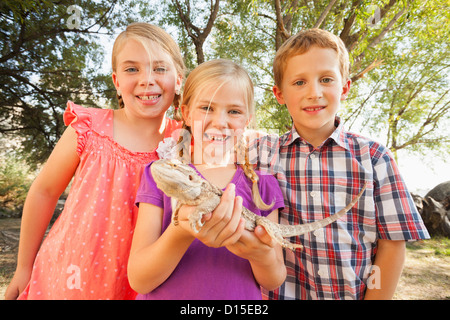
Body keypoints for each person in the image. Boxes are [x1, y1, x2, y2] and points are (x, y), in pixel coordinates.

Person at [5, 22, 185, 300]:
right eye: (131, 69)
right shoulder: (88, 128)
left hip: (146, 284)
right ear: (116, 81)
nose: (147, 79)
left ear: (179, 78)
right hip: (71, 277)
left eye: (160, 68)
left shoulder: (186, 142)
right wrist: (23, 267)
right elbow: (44, 192)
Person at [251, 28, 429, 300]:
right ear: (279, 94)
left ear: (344, 87)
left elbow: (392, 246)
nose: (314, 92)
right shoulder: (260, 155)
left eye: (326, 79)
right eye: (299, 82)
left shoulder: (375, 158)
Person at [127, 59, 287, 300]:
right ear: (186, 113)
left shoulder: (263, 188)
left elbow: (274, 280)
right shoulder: (160, 175)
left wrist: (261, 255)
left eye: (234, 111)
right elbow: (139, 279)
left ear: (247, 120)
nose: (220, 122)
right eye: (207, 108)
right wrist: (181, 230)